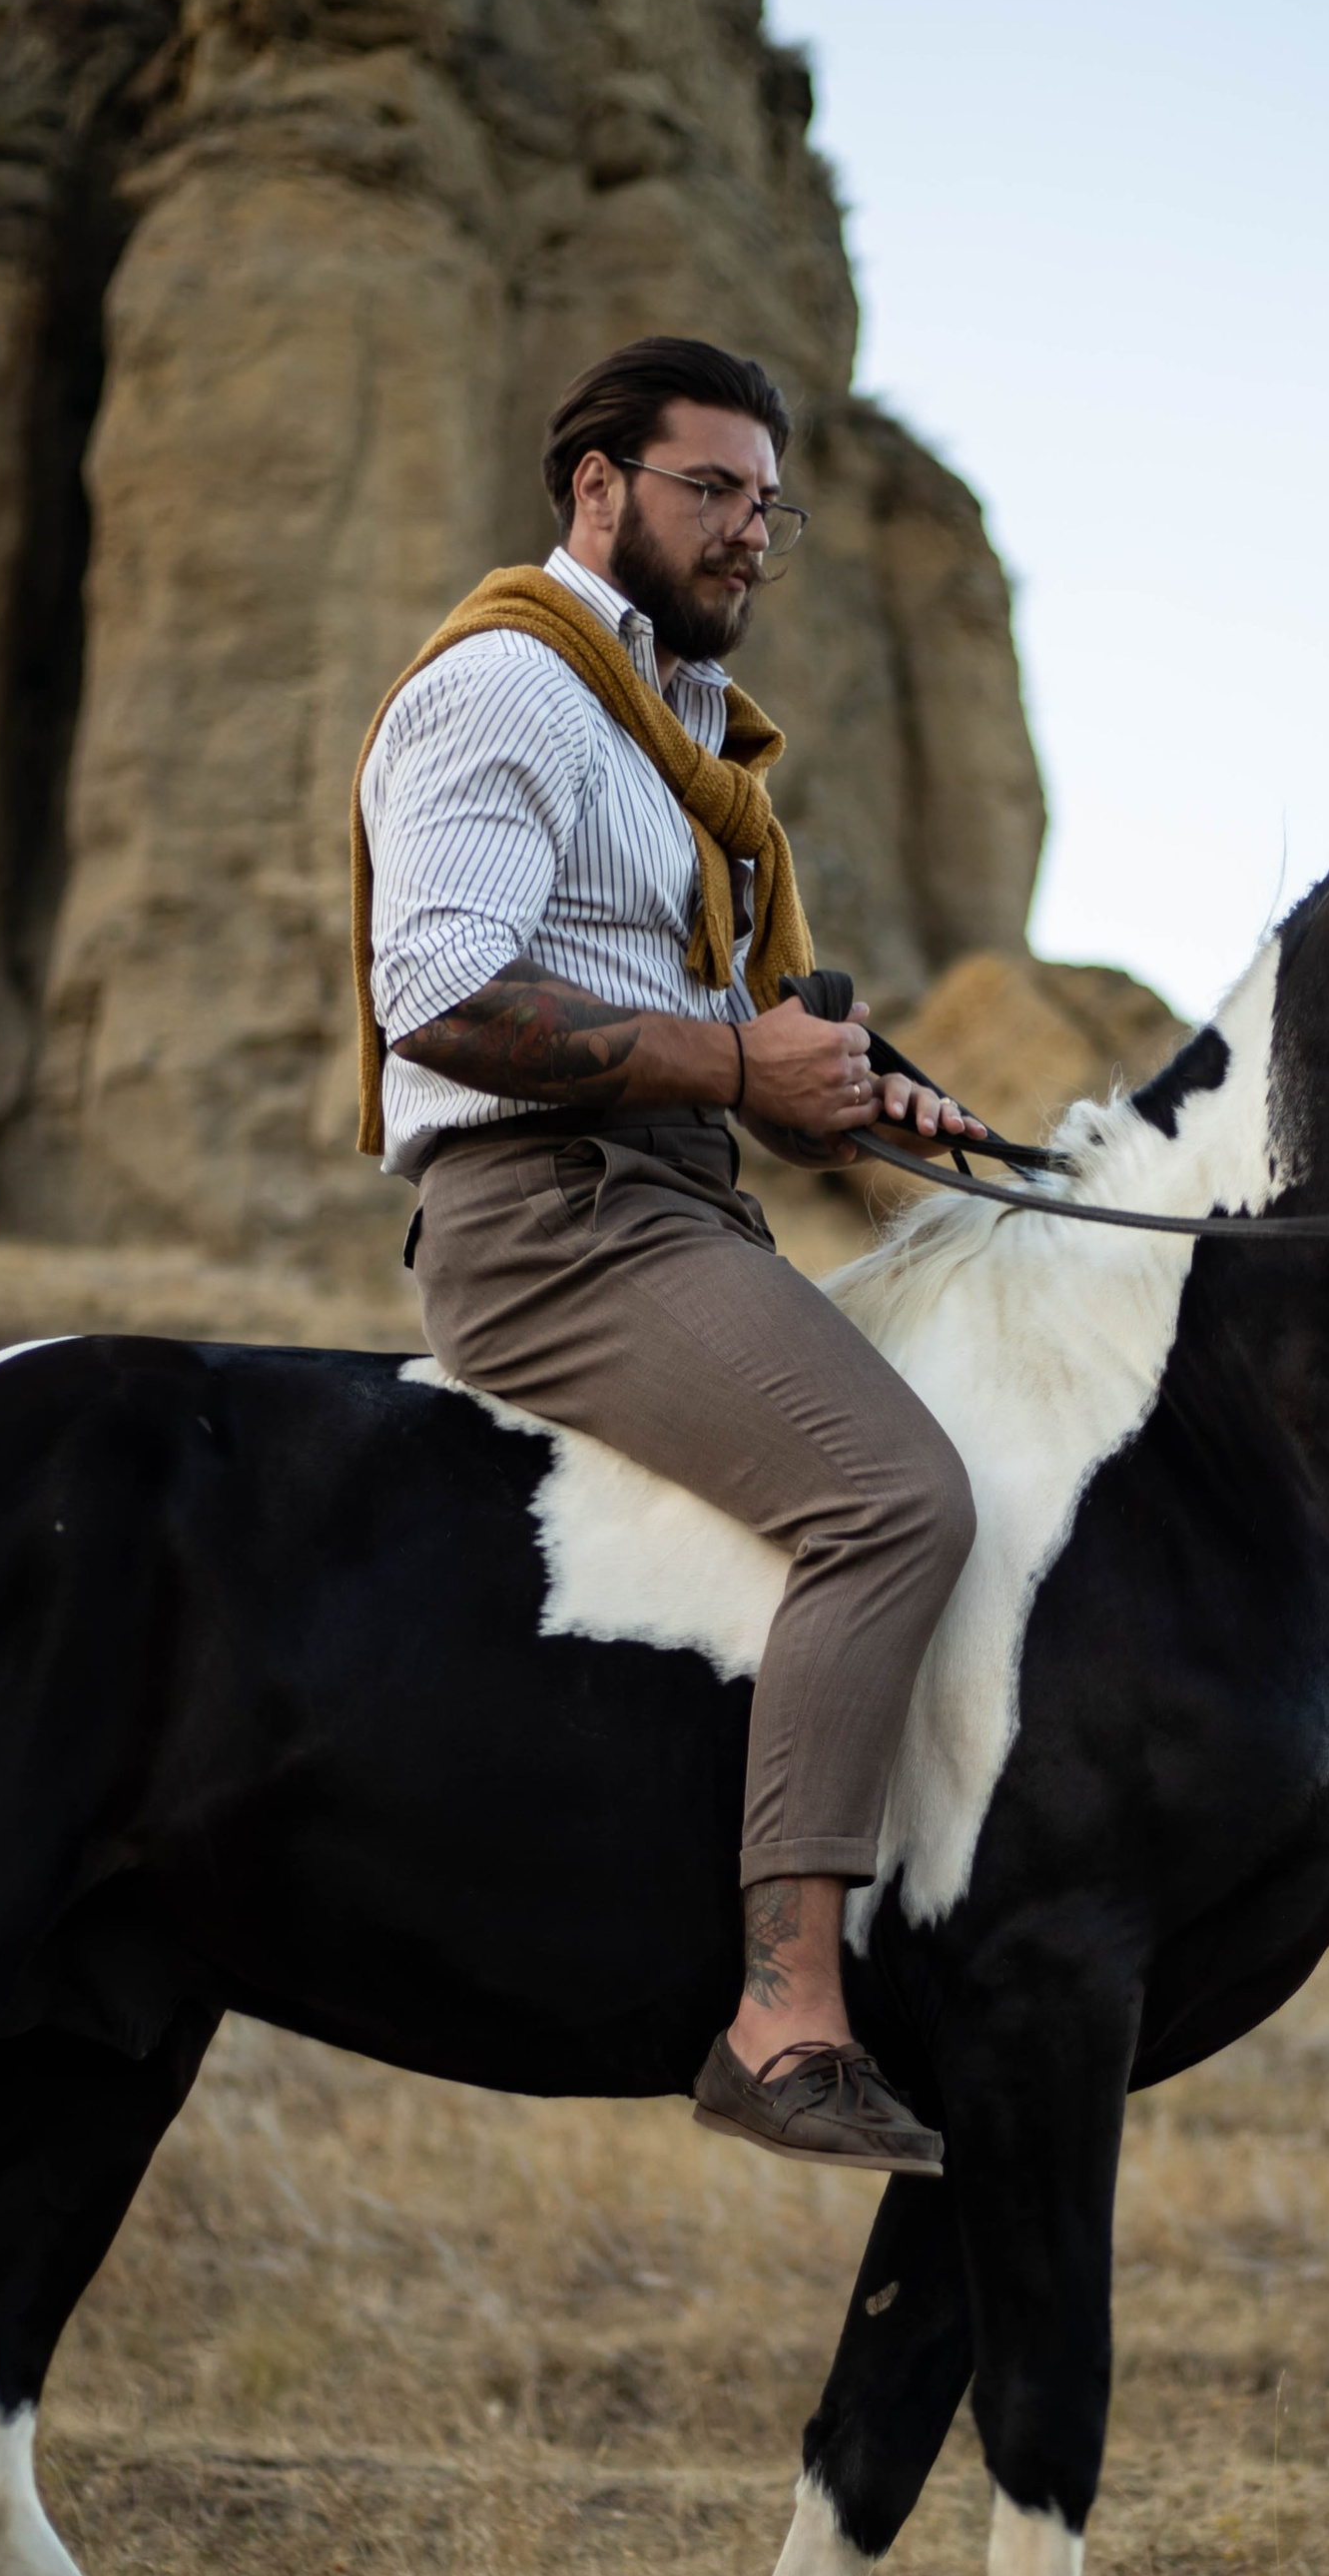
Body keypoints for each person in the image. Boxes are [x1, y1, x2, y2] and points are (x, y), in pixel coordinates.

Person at [349, 334, 984, 2176]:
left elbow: (716, 1036)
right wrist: (734, 1060)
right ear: (596, 487)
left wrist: (839, 1098)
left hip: (675, 1199)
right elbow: (442, 994)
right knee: (893, 1498)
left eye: (767, 506)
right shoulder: (511, 692)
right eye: (711, 492)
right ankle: (785, 2019)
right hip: (552, 1222)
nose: (749, 537)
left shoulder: (689, 745)